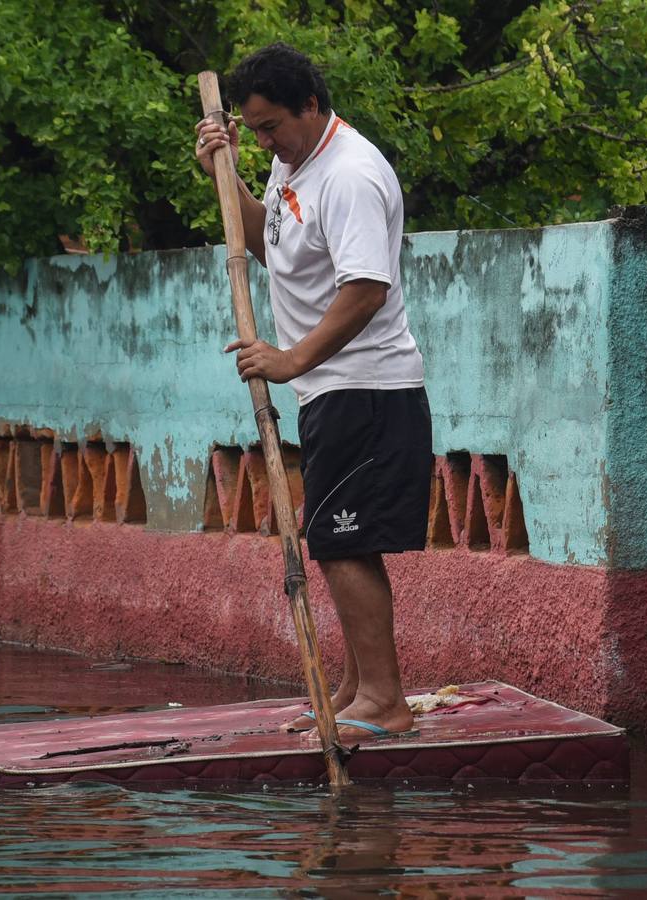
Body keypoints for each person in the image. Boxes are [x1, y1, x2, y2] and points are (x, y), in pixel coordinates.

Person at [194, 43, 432, 744]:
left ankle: (385, 701)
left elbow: (364, 289)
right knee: (335, 541)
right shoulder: (293, 160)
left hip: (366, 387)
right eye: (253, 129)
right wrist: (226, 170)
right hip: (329, 390)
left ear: (309, 104)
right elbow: (271, 245)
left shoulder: (351, 173)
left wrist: (291, 358)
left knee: (345, 543)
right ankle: (359, 690)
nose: (264, 139)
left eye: (270, 127)